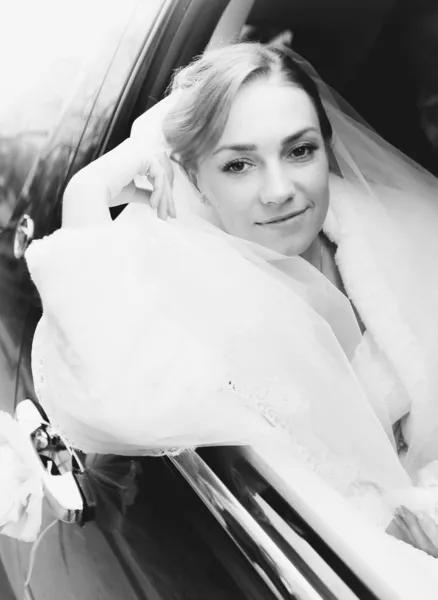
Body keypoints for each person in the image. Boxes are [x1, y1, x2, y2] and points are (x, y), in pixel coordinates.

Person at [17, 43, 438, 578]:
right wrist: (86, 191)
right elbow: (109, 400)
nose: (280, 190)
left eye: (300, 151)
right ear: (193, 178)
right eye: (238, 164)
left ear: (327, 149)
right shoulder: (178, 287)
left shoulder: (410, 229)